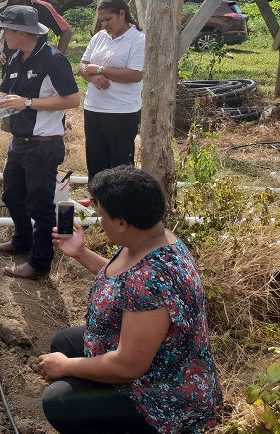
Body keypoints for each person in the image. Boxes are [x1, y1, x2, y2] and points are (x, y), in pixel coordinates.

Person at [39, 166, 222, 434]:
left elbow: (129, 365)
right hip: (154, 362)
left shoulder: (153, 278)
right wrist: (80, 252)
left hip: (165, 399)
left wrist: (66, 366)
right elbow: (124, 281)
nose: (99, 221)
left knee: (59, 400)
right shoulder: (155, 238)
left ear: (122, 223)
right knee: (65, 342)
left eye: (102, 215)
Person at [0, 5, 79, 278]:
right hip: (19, 142)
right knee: (12, 195)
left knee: (41, 205)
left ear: (21, 32)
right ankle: (23, 241)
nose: (3, 38)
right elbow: (0, 97)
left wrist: (28, 103)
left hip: (43, 145)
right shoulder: (15, 59)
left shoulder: (53, 60)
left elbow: (72, 99)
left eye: (5, 32)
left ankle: (40, 263)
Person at [79, 0, 145, 180]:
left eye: (108, 19)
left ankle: (120, 205)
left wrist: (100, 69)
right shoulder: (100, 37)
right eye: (101, 21)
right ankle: (98, 202)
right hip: (94, 107)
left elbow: (135, 74)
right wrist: (92, 77)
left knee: (120, 162)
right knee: (95, 160)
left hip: (121, 111)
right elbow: (82, 65)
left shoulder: (137, 39)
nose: (105, 24)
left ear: (122, 14)